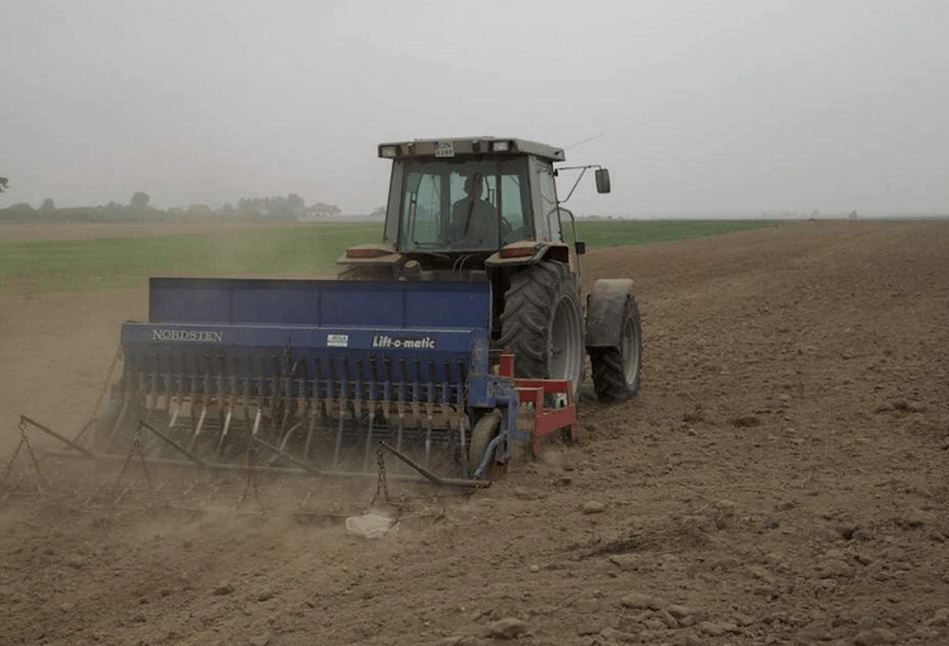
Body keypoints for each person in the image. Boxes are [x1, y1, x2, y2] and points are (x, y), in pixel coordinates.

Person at [449, 173, 498, 244]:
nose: (477, 190)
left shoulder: (489, 207)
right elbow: (456, 228)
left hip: (488, 246)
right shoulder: (458, 206)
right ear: (466, 189)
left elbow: (495, 229)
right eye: (473, 187)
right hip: (463, 246)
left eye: (479, 187)